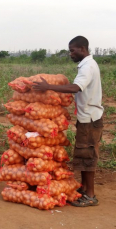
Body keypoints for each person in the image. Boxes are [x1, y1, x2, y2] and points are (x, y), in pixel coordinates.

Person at [33, 36, 104, 207]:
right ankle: (85, 189)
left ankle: (90, 196)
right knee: (83, 154)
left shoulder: (87, 67)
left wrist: (48, 87)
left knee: (87, 156)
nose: (70, 54)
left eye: (72, 50)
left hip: (90, 119)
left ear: (82, 49)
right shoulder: (87, 65)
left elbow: (75, 87)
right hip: (87, 117)